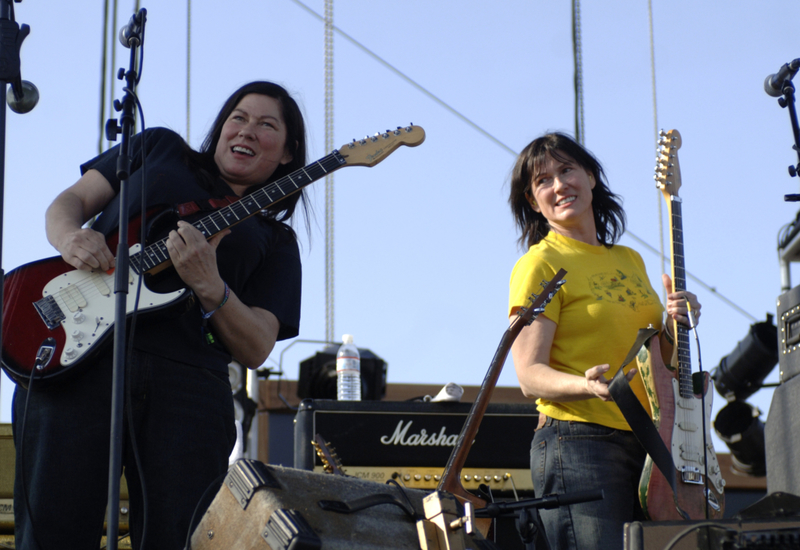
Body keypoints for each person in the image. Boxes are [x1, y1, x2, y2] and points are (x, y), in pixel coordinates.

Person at [12, 81, 308, 550]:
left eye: (266, 125)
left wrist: (212, 286)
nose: (247, 130)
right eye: (239, 117)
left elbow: (257, 345)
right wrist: (70, 237)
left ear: (289, 153)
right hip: (82, 360)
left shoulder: (275, 240)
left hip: (189, 388)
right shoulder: (161, 147)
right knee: (52, 530)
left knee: (177, 537)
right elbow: (68, 203)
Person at [507, 132, 701, 550]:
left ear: (591, 177)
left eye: (566, 169)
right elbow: (529, 375)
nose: (558, 185)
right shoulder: (540, 264)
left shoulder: (629, 260)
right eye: (543, 181)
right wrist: (586, 385)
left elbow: (657, 361)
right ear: (531, 200)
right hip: (578, 444)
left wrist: (674, 325)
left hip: (651, 443)